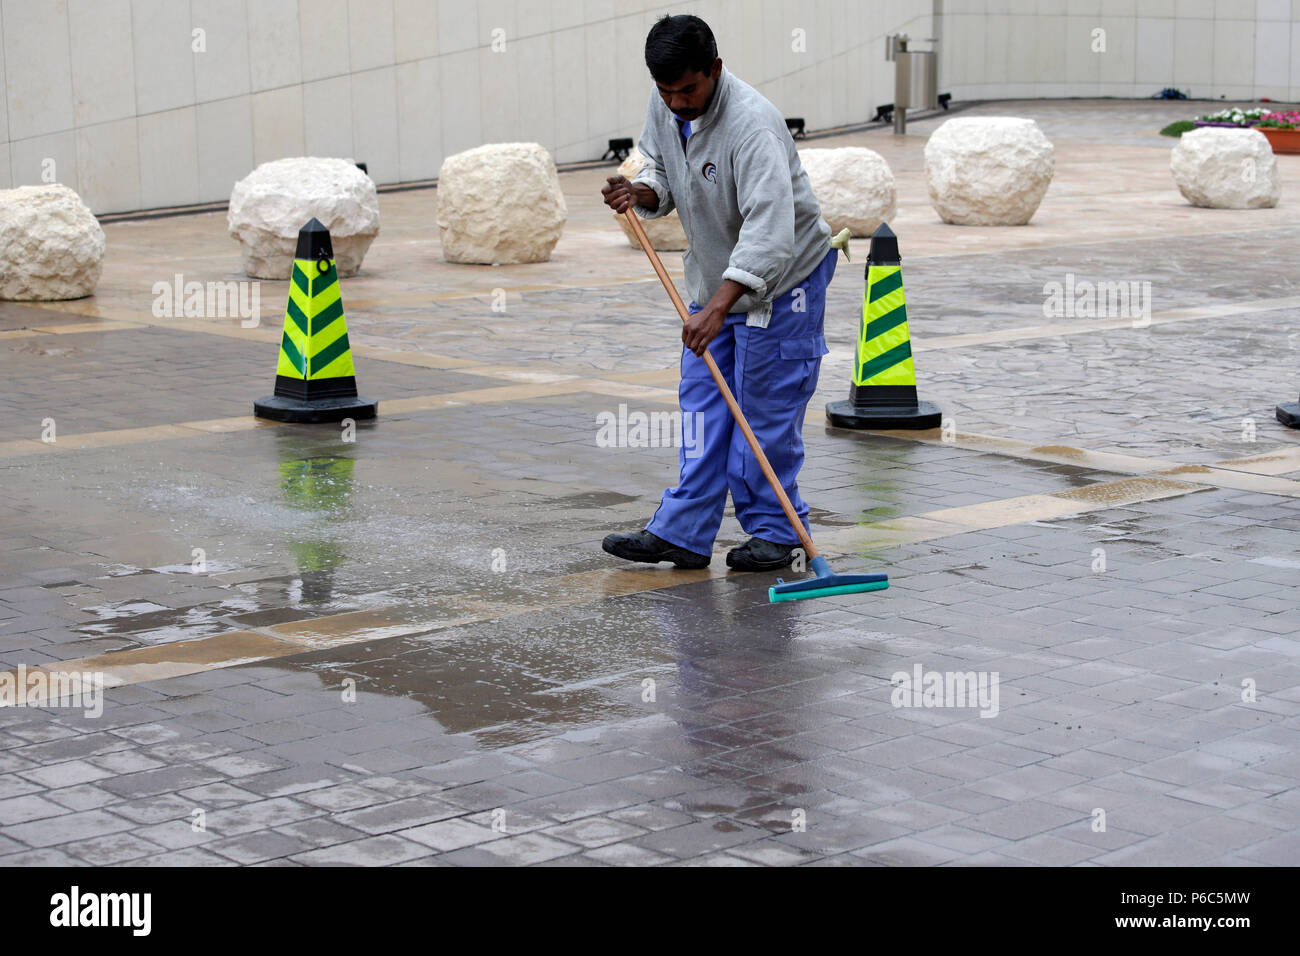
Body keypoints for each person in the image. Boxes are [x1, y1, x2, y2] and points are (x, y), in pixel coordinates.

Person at [600, 13, 834, 573]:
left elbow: (770, 232)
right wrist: (642, 189)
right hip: (715, 282)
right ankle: (683, 532)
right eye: (666, 92)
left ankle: (777, 532)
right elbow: (660, 162)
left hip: (783, 286)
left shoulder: (753, 127)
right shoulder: (667, 104)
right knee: (705, 407)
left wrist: (721, 307)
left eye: (689, 90)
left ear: (716, 70)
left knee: (762, 411)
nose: (678, 102)